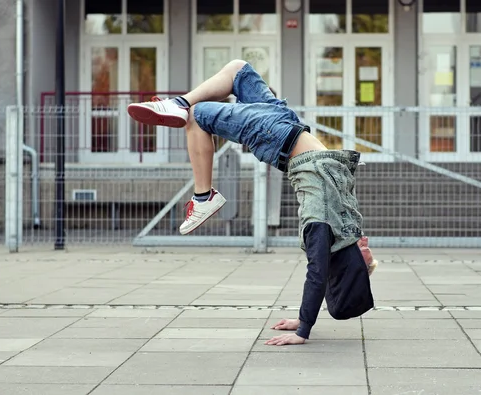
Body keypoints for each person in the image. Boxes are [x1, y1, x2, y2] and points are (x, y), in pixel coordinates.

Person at [127, 59, 377, 346]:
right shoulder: (347, 219)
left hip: (275, 136)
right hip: (286, 122)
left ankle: (203, 196)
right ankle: (177, 102)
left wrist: (303, 329)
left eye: (366, 252)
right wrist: (302, 317)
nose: (365, 239)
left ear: (351, 263)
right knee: (238, 68)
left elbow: (318, 274)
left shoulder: (321, 219)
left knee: (196, 116)